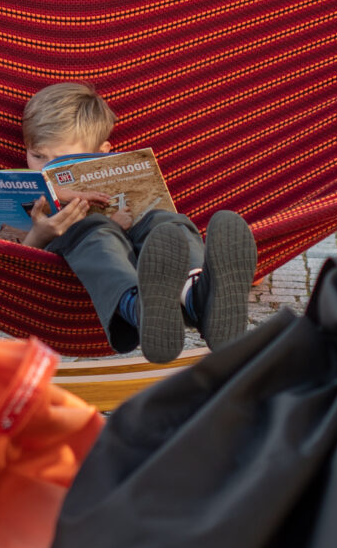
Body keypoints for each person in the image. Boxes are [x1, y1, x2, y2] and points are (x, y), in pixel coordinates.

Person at [17, 81, 254, 364]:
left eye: (63, 160)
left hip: (132, 248)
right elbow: (13, 263)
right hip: (71, 262)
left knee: (166, 223)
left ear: (102, 152)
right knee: (94, 230)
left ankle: (200, 299)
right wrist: (40, 234)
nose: (46, 169)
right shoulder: (23, 190)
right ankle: (140, 309)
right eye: (38, 155)